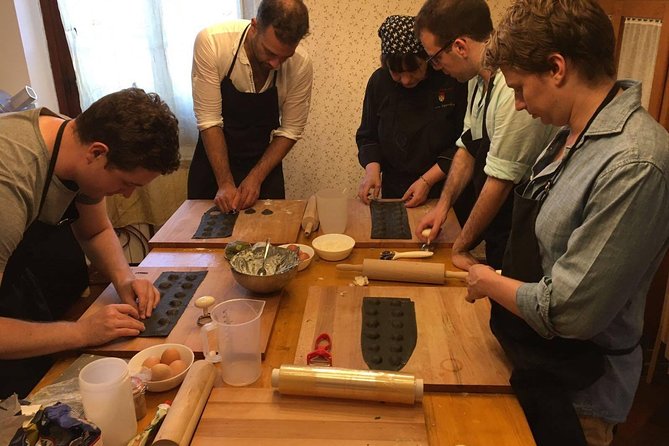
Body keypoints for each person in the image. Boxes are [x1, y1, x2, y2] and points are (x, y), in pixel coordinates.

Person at [467, 1, 669, 445]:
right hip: (536, 363)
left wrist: (486, 280)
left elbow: (569, 311)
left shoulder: (635, 162)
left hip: (581, 392)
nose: (518, 105)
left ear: (557, 68)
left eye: (520, 89)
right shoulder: (566, 135)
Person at [0, 87, 181, 398]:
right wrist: (80, 332)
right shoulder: (10, 182)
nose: (127, 195)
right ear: (98, 153)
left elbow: (94, 229)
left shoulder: (75, 143)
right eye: (127, 183)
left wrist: (126, 280)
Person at [413, 0, 555, 269]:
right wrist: (442, 207)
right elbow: (467, 147)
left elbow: (500, 182)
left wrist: (460, 246)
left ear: (460, 47)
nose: (437, 67)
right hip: (498, 230)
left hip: (524, 233)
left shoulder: (514, 91)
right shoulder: (477, 82)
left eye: (435, 59)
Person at [188, 0, 313, 212]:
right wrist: (225, 183)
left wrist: (256, 177)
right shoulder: (213, 43)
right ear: (255, 26)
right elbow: (209, 120)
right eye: (270, 52)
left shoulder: (300, 64)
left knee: (269, 240)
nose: (276, 64)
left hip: (262, 162)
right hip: (213, 163)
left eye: (285, 57)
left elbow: (291, 130)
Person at [356, 15, 468, 210]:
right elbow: (368, 136)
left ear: (428, 59)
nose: (406, 80)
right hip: (395, 189)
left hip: (445, 186)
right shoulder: (379, 82)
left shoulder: (449, 79)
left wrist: (427, 181)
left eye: (413, 70)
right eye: (396, 72)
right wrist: (372, 170)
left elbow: (464, 142)